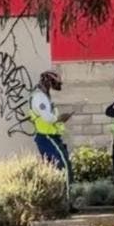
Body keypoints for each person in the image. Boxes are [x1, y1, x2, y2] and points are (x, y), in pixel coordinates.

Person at [29, 70, 75, 209]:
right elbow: (48, 118)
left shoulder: (43, 96)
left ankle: (56, 202)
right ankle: (66, 203)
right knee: (64, 166)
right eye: (54, 83)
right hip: (47, 137)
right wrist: (62, 118)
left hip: (49, 136)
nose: (55, 86)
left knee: (52, 169)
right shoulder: (39, 97)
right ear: (48, 81)